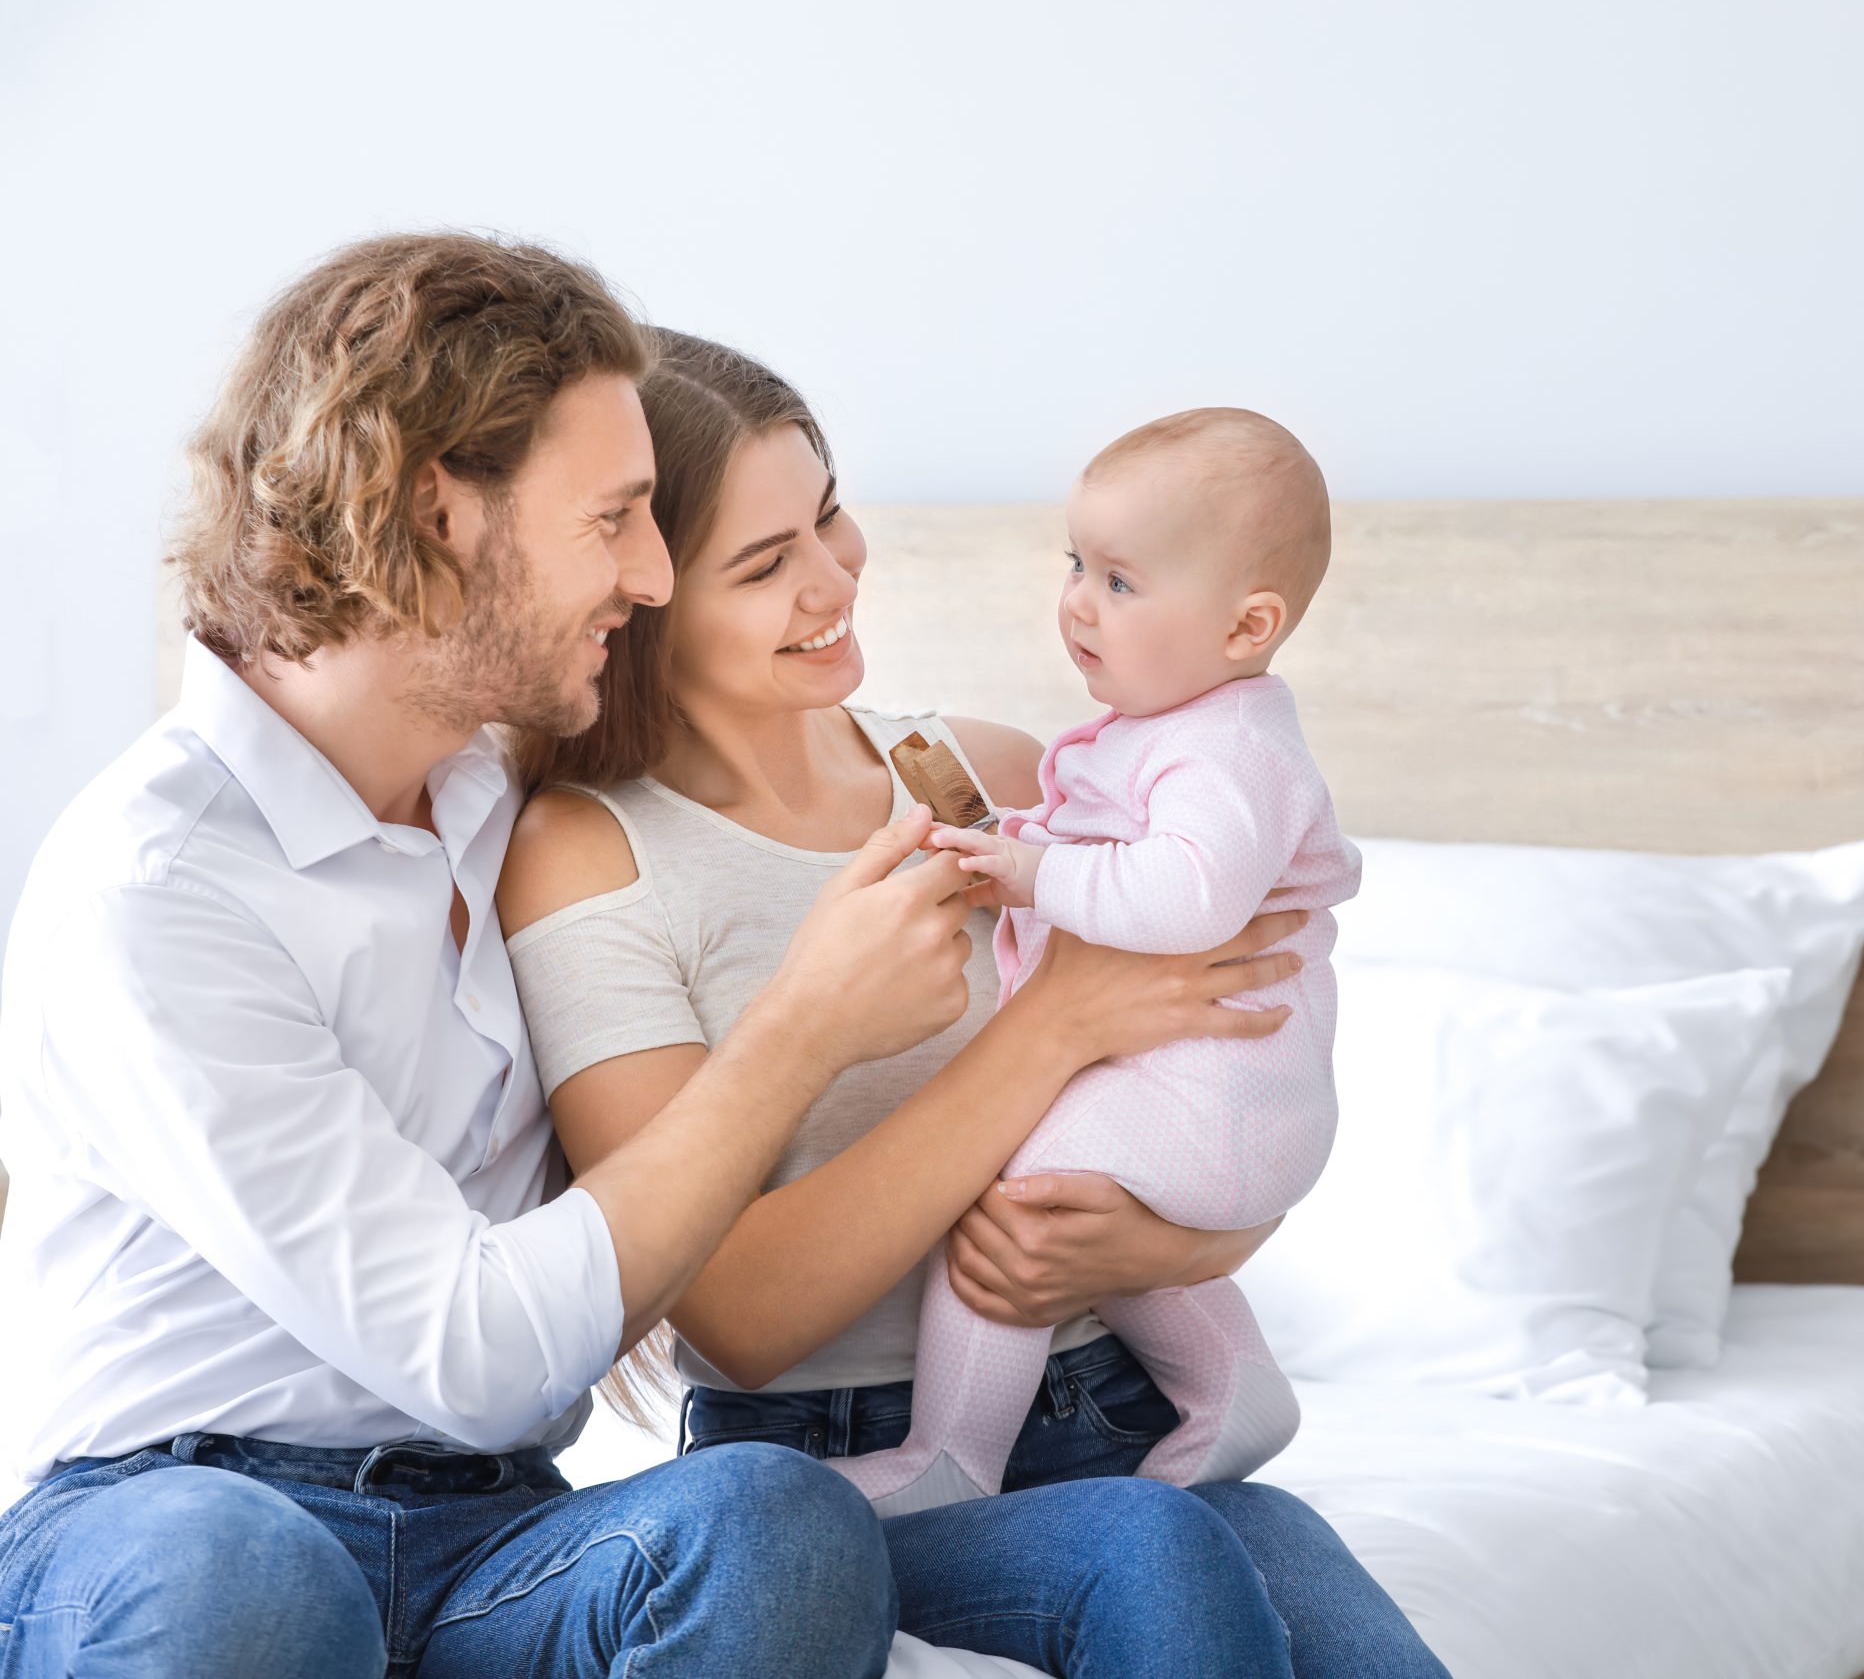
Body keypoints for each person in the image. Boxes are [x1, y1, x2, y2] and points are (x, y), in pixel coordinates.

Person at [0, 232, 1242, 1679]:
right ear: (440, 510)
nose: (650, 576)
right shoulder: (158, 881)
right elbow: (476, 1349)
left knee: (772, 1521)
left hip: (496, 1538)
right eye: (615, 520)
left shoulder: (495, 797)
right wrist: (804, 1026)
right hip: (172, 1507)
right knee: (252, 1575)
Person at [500, 332, 1450, 1678]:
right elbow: (741, 1312)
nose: (833, 577)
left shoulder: (986, 777)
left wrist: (1155, 1249)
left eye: (827, 512)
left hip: (1127, 1403)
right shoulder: (592, 854)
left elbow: (1241, 1075)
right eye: (767, 563)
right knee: (1149, 1557)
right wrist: (1051, 1024)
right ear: (644, 591)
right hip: (845, 1458)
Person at [843, 408, 1359, 1514]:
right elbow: (1122, 853)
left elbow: (1181, 896)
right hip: (1212, 1098)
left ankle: (952, 1456)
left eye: (1120, 582)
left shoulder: (1230, 751)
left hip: (1223, 1096)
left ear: (1245, 625)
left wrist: (1032, 876)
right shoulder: (1173, 729)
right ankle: (1230, 1383)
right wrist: (1022, 844)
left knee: (1023, 1194)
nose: (1077, 599)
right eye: (1075, 563)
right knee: (1069, 1197)